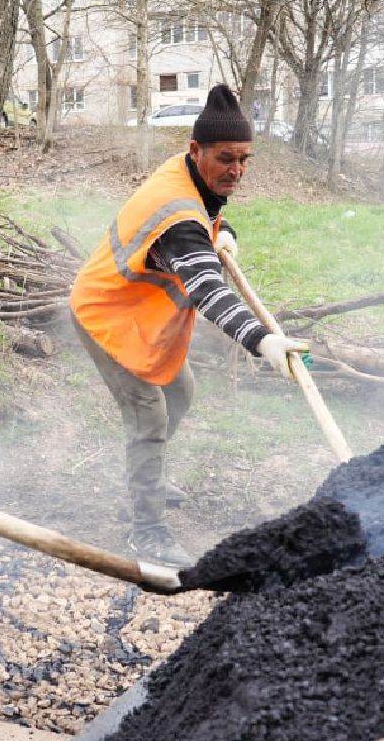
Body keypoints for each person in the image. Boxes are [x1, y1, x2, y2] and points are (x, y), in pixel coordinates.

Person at [70, 84, 305, 567]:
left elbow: (208, 220)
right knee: (150, 417)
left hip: (139, 315)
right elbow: (209, 291)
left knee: (181, 394)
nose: (236, 171)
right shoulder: (175, 212)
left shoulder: (191, 176)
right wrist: (261, 340)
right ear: (195, 150)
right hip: (107, 316)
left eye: (245, 159)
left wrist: (227, 234)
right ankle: (147, 531)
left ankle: (146, 473)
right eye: (225, 159)